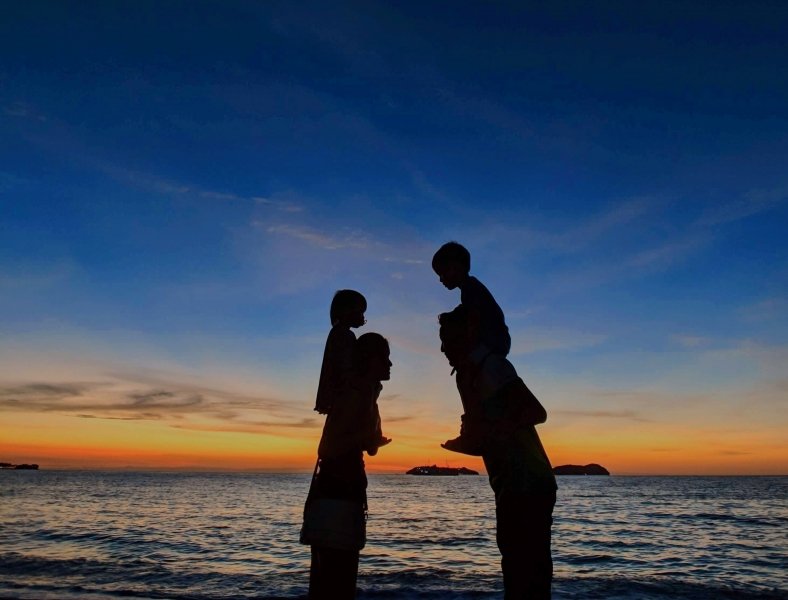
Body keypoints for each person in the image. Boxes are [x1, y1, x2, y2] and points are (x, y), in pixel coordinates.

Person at [438, 304, 556, 599]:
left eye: (448, 339)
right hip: (508, 483)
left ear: (468, 335)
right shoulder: (465, 376)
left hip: (529, 482)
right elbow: (488, 434)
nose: (442, 348)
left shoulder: (491, 367)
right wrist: (467, 443)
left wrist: (487, 429)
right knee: (516, 567)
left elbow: (535, 411)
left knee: (527, 571)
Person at [301, 332, 393, 599]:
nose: (390, 364)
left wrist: (371, 440)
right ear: (369, 360)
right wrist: (365, 439)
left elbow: (367, 445)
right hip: (336, 496)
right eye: (385, 358)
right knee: (337, 582)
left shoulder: (367, 393)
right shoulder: (354, 393)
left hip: (340, 494)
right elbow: (327, 448)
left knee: (330, 582)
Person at [432, 241, 511, 454]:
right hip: (494, 342)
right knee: (466, 376)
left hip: (492, 342)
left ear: (456, 267)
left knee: (464, 376)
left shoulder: (470, 289)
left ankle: (473, 430)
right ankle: (474, 425)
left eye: (442, 273)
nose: (440, 279)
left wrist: (468, 350)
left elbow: (475, 319)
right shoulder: (471, 290)